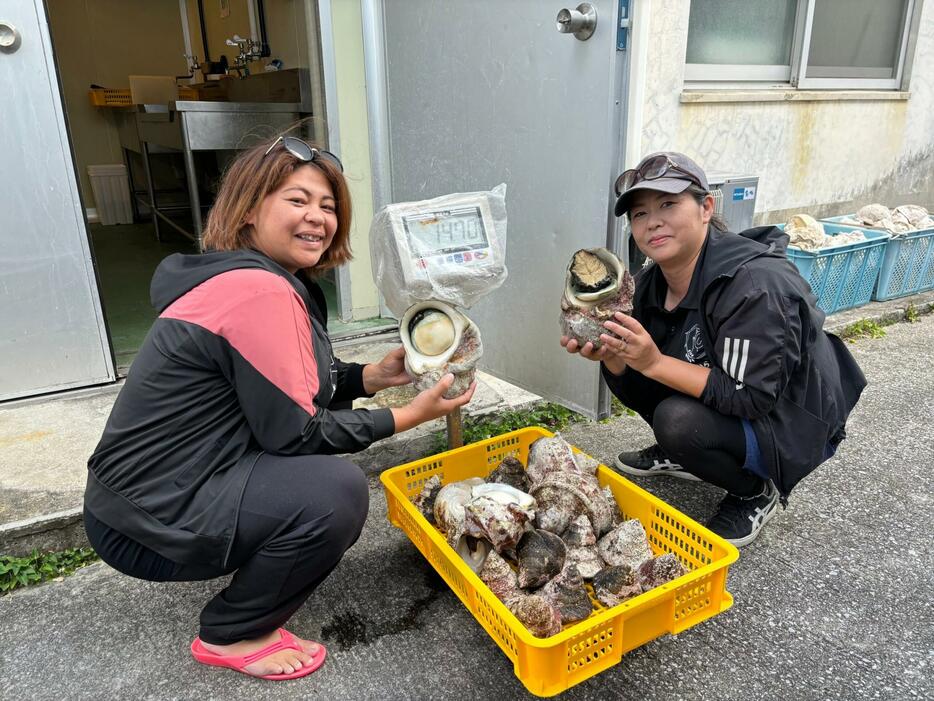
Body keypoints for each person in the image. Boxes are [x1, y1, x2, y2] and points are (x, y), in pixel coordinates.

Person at [84, 135, 475, 681]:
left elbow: (285, 385)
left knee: (314, 486)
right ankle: (233, 632)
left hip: (134, 504)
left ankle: (253, 578)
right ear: (247, 211)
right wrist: (408, 415)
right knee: (331, 493)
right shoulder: (257, 291)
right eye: (297, 200)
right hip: (149, 520)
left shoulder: (256, 278)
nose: (317, 217)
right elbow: (295, 434)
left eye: (328, 205)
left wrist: (373, 377)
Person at [561, 151, 866, 547]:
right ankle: (687, 453)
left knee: (677, 419)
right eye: (639, 214)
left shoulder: (754, 286)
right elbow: (643, 378)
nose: (652, 221)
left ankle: (753, 491)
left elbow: (751, 396)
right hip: (736, 393)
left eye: (668, 204)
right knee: (640, 374)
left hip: (790, 418)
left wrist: (653, 361)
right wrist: (615, 356)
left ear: (706, 207)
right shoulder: (650, 284)